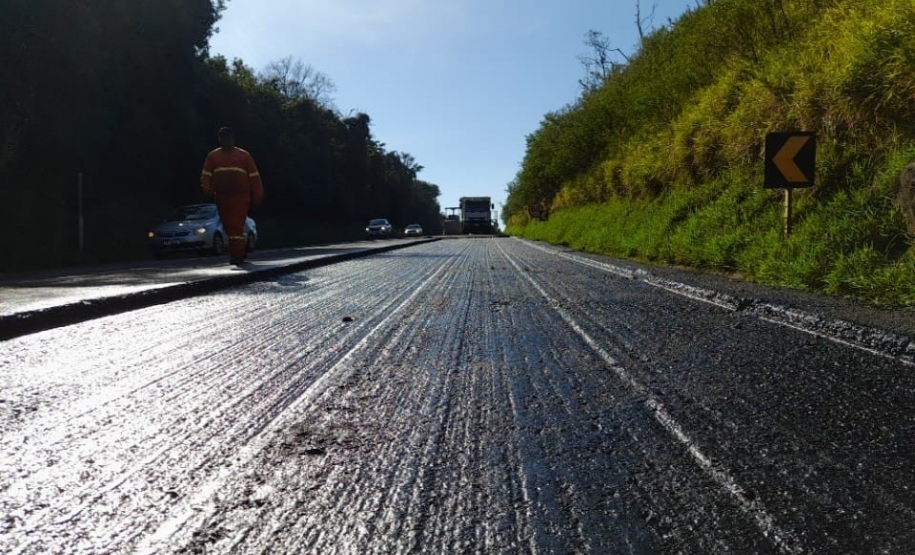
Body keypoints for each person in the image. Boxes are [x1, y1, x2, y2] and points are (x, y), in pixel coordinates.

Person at [200, 127, 264, 265]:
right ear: (219, 139)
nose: (225, 140)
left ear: (233, 139)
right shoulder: (213, 156)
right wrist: (207, 188)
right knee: (229, 226)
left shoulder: (244, 156)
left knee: (236, 225)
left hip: (240, 197)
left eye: (227, 137)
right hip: (222, 197)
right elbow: (206, 175)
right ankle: (239, 252)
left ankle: (237, 255)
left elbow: (254, 177)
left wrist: (258, 195)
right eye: (222, 138)